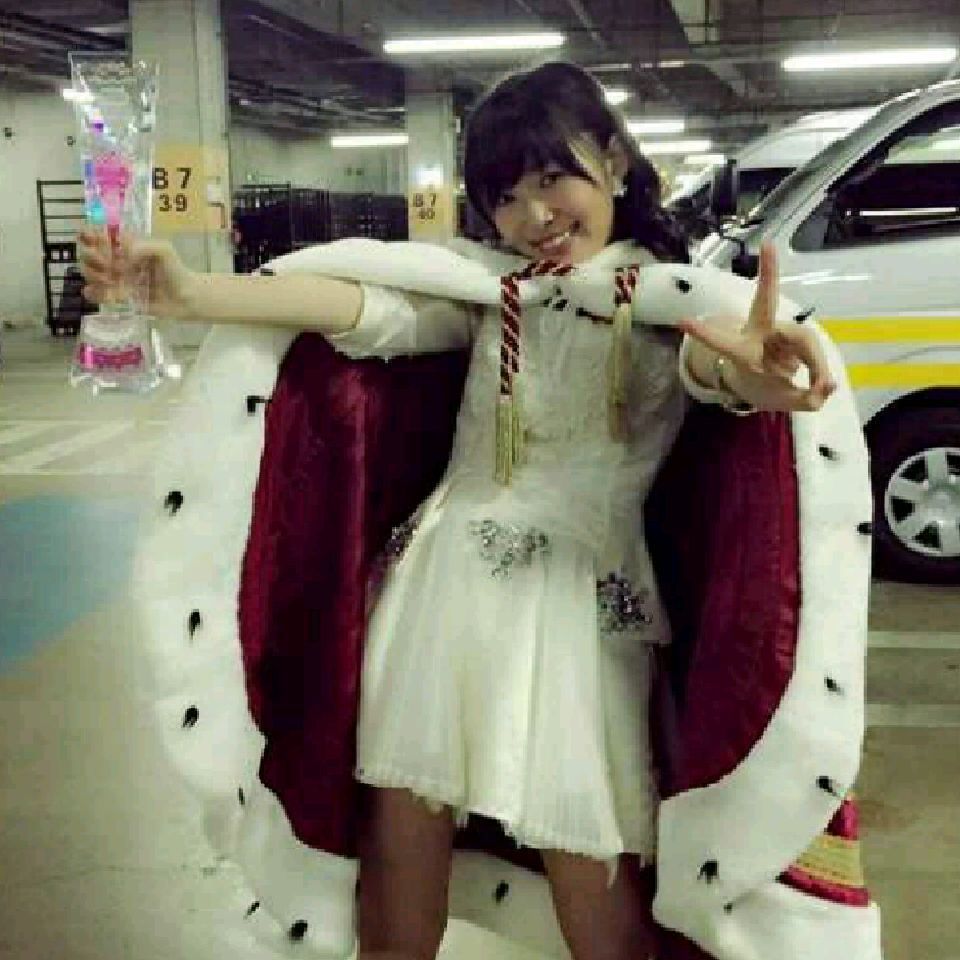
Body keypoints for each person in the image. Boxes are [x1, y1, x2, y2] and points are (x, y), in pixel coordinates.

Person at [80, 62, 838, 960]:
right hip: (436, 598)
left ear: (615, 160)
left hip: (578, 618)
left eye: (552, 177)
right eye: (505, 197)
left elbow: (712, 367)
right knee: (397, 894)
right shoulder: (492, 293)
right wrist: (195, 293)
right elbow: (367, 307)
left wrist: (753, 376)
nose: (534, 215)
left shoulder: (674, 304)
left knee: (597, 895)